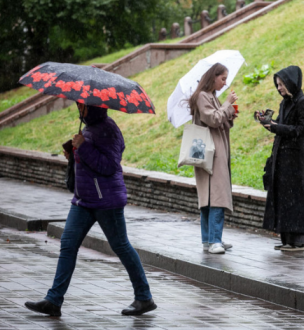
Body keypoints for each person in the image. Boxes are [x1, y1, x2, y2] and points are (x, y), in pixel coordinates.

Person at [25, 103, 156, 317]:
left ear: (94, 107)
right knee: (68, 245)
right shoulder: (89, 128)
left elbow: (109, 165)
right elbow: (88, 162)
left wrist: (84, 147)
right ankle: (53, 300)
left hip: (106, 202)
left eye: (83, 106)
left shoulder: (108, 129)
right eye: (79, 106)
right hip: (84, 200)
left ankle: (144, 297)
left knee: (121, 246)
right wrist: (74, 155)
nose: (80, 110)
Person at [259, 66, 304, 252]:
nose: (279, 88)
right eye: (277, 85)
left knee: (295, 197)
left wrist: (276, 127)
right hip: (281, 157)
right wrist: (269, 124)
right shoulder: (285, 103)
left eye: (281, 84)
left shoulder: (302, 103)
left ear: (291, 82)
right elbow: (281, 126)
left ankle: (297, 240)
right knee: (282, 197)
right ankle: (286, 238)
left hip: (295, 160)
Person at [188, 63, 238, 254]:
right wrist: (227, 104)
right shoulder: (202, 96)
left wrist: (230, 112)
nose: (225, 83)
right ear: (213, 77)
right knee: (216, 196)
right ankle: (213, 240)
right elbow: (213, 119)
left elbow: (220, 120)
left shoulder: (211, 97)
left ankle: (210, 240)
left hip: (216, 152)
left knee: (212, 197)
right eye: (223, 78)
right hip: (211, 153)